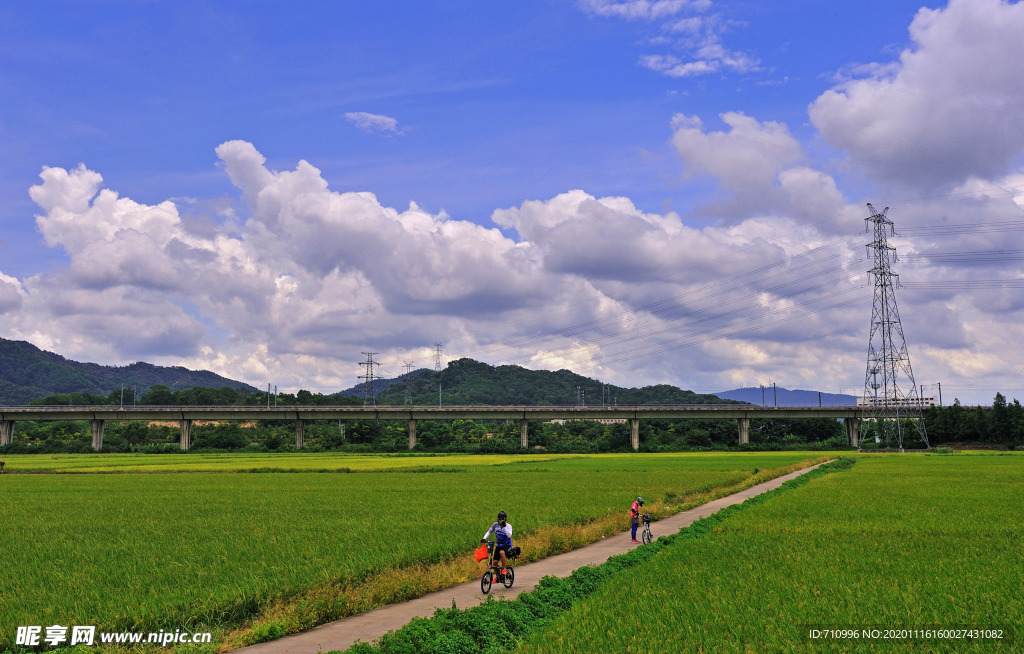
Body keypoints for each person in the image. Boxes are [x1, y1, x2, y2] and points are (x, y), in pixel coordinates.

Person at [482, 510, 513, 577]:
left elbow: (509, 535)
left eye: (502, 519)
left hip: (507, 545)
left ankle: (504, 568)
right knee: (495, 563)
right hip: (499, 545)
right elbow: (489, 532)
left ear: (505, 519)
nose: (501, 520)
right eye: (500, 518)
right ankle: (498, 577)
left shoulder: (508, 526)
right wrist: (484, 538)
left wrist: (504, 527)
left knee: (502, 552)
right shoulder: (495, 525)